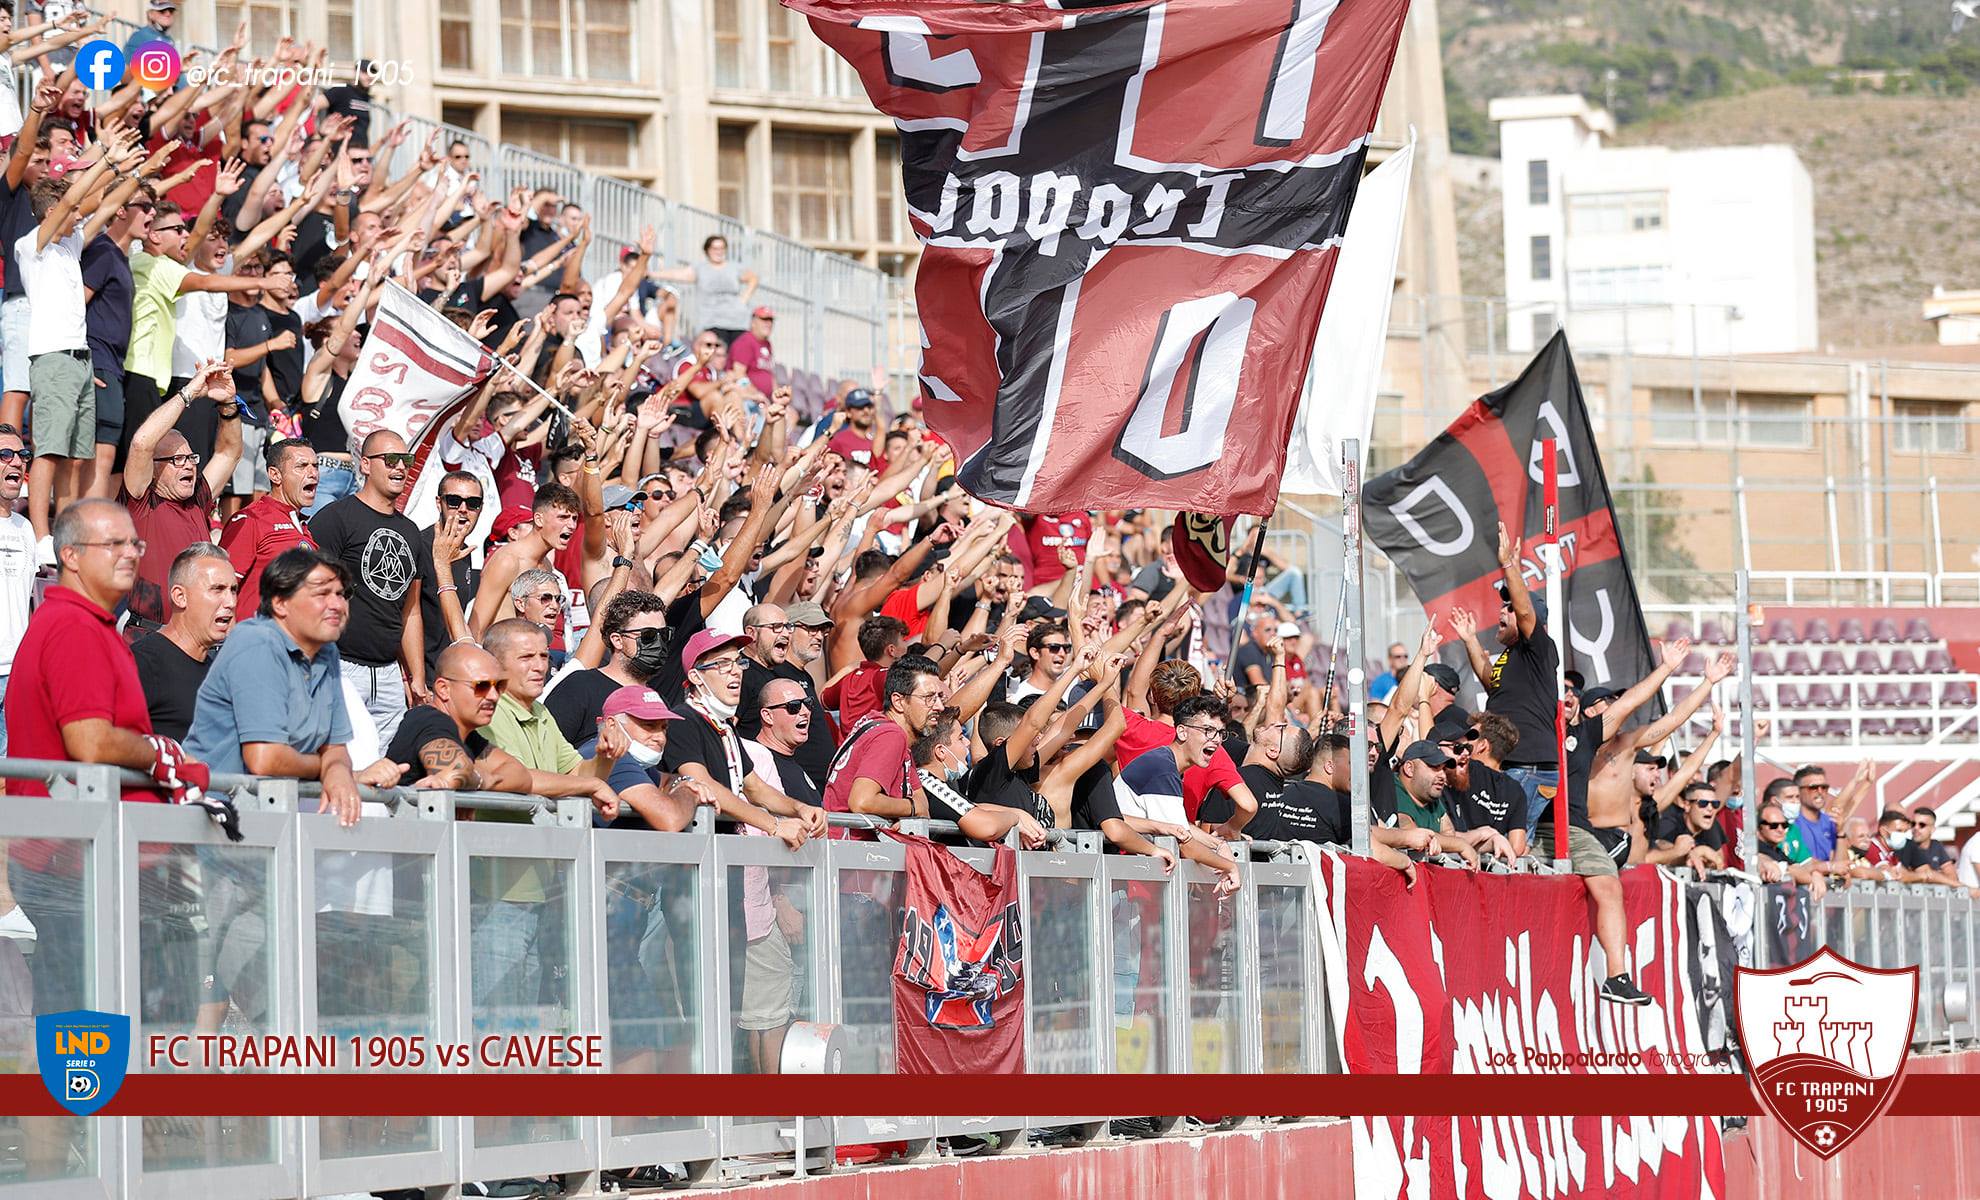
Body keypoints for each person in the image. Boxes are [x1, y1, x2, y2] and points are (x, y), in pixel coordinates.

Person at [5, 499, 236, 831]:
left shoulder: (84, 624)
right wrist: (165, 753)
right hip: (75, 847)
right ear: (70, 555)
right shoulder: (73, 625)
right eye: (114, 544)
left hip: (89, 839)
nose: (130, 554)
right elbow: (91, 742)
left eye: (134, 543)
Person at [184, 546, 365, 826]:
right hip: (211, 822)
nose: (337, 605)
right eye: (321, 594)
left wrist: (337, 767)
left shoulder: (327, 651)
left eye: (341, 594)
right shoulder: (256, 643)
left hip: (270, 820)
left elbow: (336, 747)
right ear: (280, 603)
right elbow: (265, 757)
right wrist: (326, 769)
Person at [309, 430, 429, 742]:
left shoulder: (411, 531)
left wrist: (416, 676)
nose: (400, 468)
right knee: (340, 758)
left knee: (382, 774)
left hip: (388, 674)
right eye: (390, 460)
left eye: (405, 460)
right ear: (364, 465)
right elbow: (309, 591)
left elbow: (411, 611)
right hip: (340, 664)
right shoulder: (335, 518)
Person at [666, 628, 826, 843]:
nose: (736, 671)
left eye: (738, 662)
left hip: (723, 853)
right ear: (696, 676)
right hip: (693, 856)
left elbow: (755, 787)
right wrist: (774, 825)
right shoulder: (683, 720)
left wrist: (801, 808)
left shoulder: (724, 726)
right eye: (723, 664)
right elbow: (703, 784)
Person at [1449, 523, 1560, 823]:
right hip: (1511, 760)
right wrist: (1471, 640)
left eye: (1509, 607)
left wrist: (1509, 564)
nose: (1503, 610)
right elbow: (1491, 682)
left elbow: (1526, 614)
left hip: (1529, 764)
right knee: (1496, 836)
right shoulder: (1512, 656)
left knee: (1505, 837)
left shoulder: (1538, 646)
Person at [119, 361, 239, 625]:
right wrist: (189, 393)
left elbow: (228, 452)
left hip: (199, 636)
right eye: (177, 459)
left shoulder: (198, 499)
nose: (189, 464)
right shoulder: (141, 501)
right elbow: (141, 443)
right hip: (151, 636)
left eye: (190, 457)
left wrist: (228, 403)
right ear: (153, 468)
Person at [479, 618, 624, 821]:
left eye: (544, 656)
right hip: (494, 844)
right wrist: (593, 785)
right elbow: (516, 778)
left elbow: (577, 774)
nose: (539, 666)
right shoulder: (487, 710)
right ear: (495, 664)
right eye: (526, 657)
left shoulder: (540, 711)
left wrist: (606, 756)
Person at [132, 543, 236, 741]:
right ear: (180, 597)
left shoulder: (218, 672)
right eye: (217, 589)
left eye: (233, 590)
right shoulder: (143, 663)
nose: (230, 602)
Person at [544, 588, 669, 744]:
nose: (658, 644)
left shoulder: (656, 700)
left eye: (663, 635)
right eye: (648, 636)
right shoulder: (580, 687)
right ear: (617, 640)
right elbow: (546, 751)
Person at [736, 601, 836, 780]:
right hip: (761, 787)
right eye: (776, 627)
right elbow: (727, 732)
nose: (785, 634)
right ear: (751, 633)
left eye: (787, 627)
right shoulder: (741, 674)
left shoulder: (774, 675)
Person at [218, 438, 318, 616]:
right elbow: (221, 586)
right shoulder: (251, 519)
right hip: (256, 636)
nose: (313, 473)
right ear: (275, 475)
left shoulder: (303, 527)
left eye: (315, 466)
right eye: (302, 466)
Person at [1436, 719, 1528, 858]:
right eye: (1459, 747)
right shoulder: (1516, 789)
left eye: (1469, 746)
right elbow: (1517, 847)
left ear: (1482, 746)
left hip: (1458, 862)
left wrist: (1424, 700)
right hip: (1483, 865)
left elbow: (1430, 740)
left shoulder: (1465, 773)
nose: (1466, 752)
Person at [652, 234, 757, 345]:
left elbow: (753, 278)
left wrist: (744, 299)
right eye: (715, 248)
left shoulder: (734, 267)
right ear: (707, 250)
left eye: (722, 248)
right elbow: (677, 274)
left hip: (737, 321)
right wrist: (652, 274)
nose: (719, 252)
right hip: (712, 321)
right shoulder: (701, 268)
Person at [0, 423, 30, 751]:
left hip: (17, 674)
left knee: (12, 781)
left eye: (22, 454)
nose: (17, 462)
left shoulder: (26, 528)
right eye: (4, 454)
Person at [1652, 781, 1729, 875]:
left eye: (1715, 804)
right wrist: (1698, 853)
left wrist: (1701, 852)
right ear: (1687, 805)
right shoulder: (1669, 822)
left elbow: (1718, 860)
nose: (1710, 808)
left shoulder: (1711, 824)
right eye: (1703, 803)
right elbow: (1663, 851)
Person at [1791, 765, 1841, 863]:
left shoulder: (1831, 822)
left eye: (1824, 787)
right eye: (1813, 787)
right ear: (1798, 791)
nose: (1820, 792)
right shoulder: (1790, 823)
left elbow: (1842, 864)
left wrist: (1841, 834)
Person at [1900, 807, 1960, 886]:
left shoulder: (1936, 846)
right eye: (1913, 824)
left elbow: (1953, 878)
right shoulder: (1904, 847)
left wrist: (1929, 875)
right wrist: (1938, 874)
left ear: (1932, 829)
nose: (1916, 828)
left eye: (1922, 825)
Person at [727, 305, 776, 395]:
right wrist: (757, 395)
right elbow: (739, 375)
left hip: (765, 399)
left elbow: (769, 374)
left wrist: (777, 394)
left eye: (771, 320)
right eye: (764, 319)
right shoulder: (745, 342)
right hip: (748, 398)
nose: (768, 323)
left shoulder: (767, 343)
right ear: (753, 322)